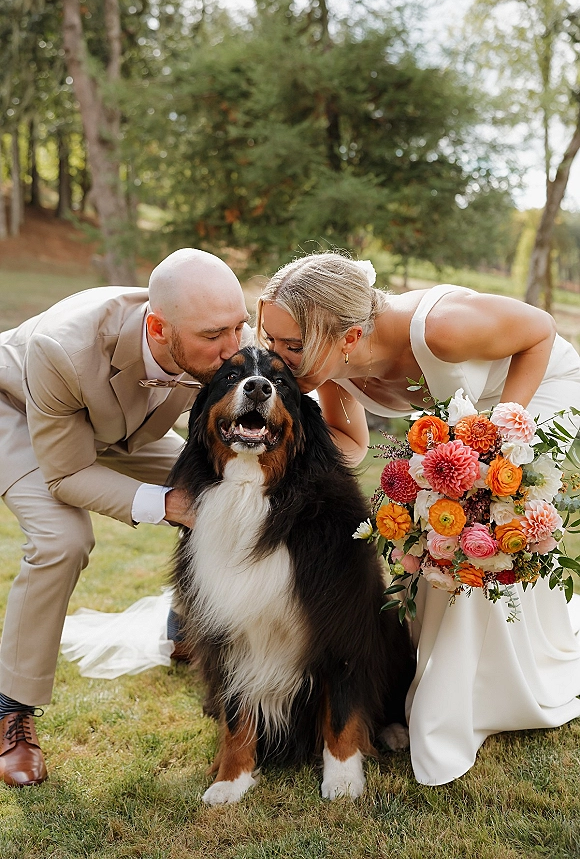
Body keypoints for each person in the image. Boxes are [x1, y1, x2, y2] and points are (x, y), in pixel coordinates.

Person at [257, 251, 580, 786]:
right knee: (442, 542)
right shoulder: (332, 370)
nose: (278, 358)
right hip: (459, 431)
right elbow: (352, 444)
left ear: (349, 339)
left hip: (536, 390)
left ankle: (464, 705)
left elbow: (540, 333)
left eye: (293, 347)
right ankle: (472, 675)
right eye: (271, 340)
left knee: (480, 540)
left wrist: (502, 435)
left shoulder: (444, 330)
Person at [0, 247, 251, 787]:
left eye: (239, 327)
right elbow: (67, 474)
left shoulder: (221, 337)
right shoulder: (62, 347)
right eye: (214, 337)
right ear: (159, 328)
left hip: (122, 426)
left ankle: (186, 625)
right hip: (18, 411)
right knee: (62, 540)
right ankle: (11, 712)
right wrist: (166, 505)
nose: (234, 350)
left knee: (224, 491)